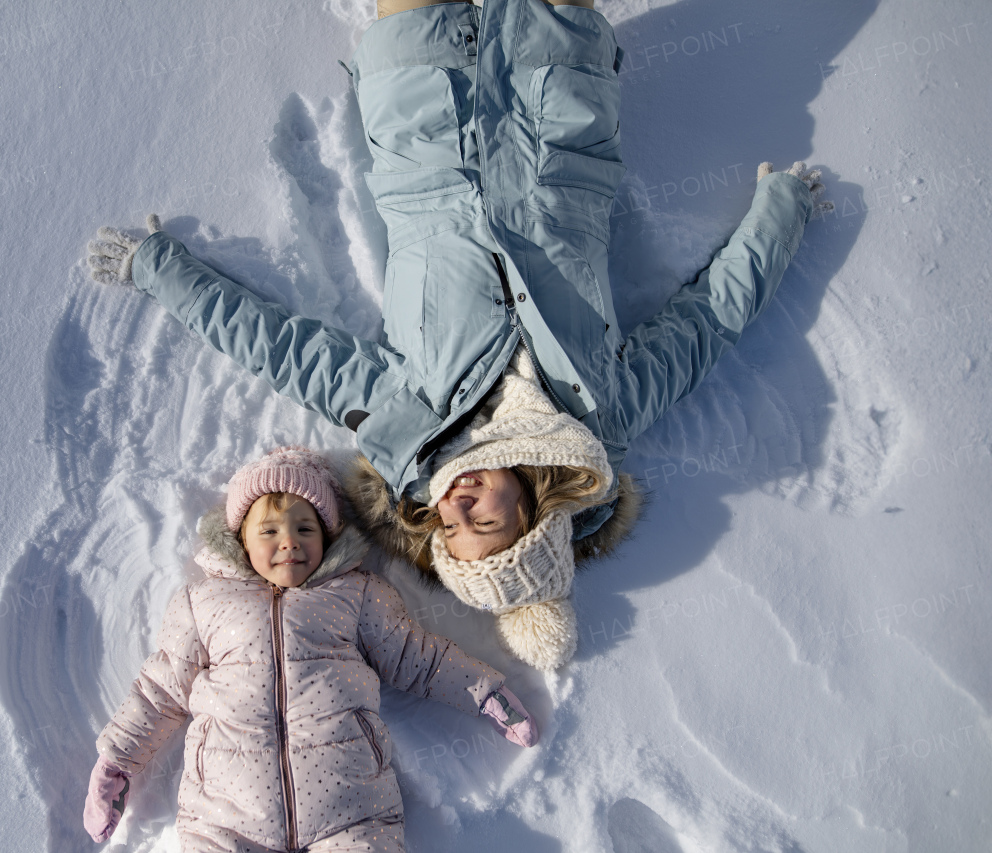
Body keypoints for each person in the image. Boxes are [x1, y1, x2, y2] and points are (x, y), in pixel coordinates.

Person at [84, 0, 831, 670]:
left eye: (451, 529)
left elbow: (279, 348)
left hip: (422, 131)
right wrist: (783, 213)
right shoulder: (604, 417)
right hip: (559, 127)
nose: (458, 507)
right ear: (533, 519)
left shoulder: (403, 424)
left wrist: (160, 269)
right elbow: (710, 321)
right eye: (486, 524)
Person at [83, 447, 538, 851]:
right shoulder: (204, 602)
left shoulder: (358, 594)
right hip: (225, 816)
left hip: (351, 809)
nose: (290, 542)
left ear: (327, 537)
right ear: (241, 540)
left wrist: (484, 692)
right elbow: (161, 689)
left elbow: (417, 656)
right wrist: (115, 764)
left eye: (305, 528)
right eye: (269, 531)